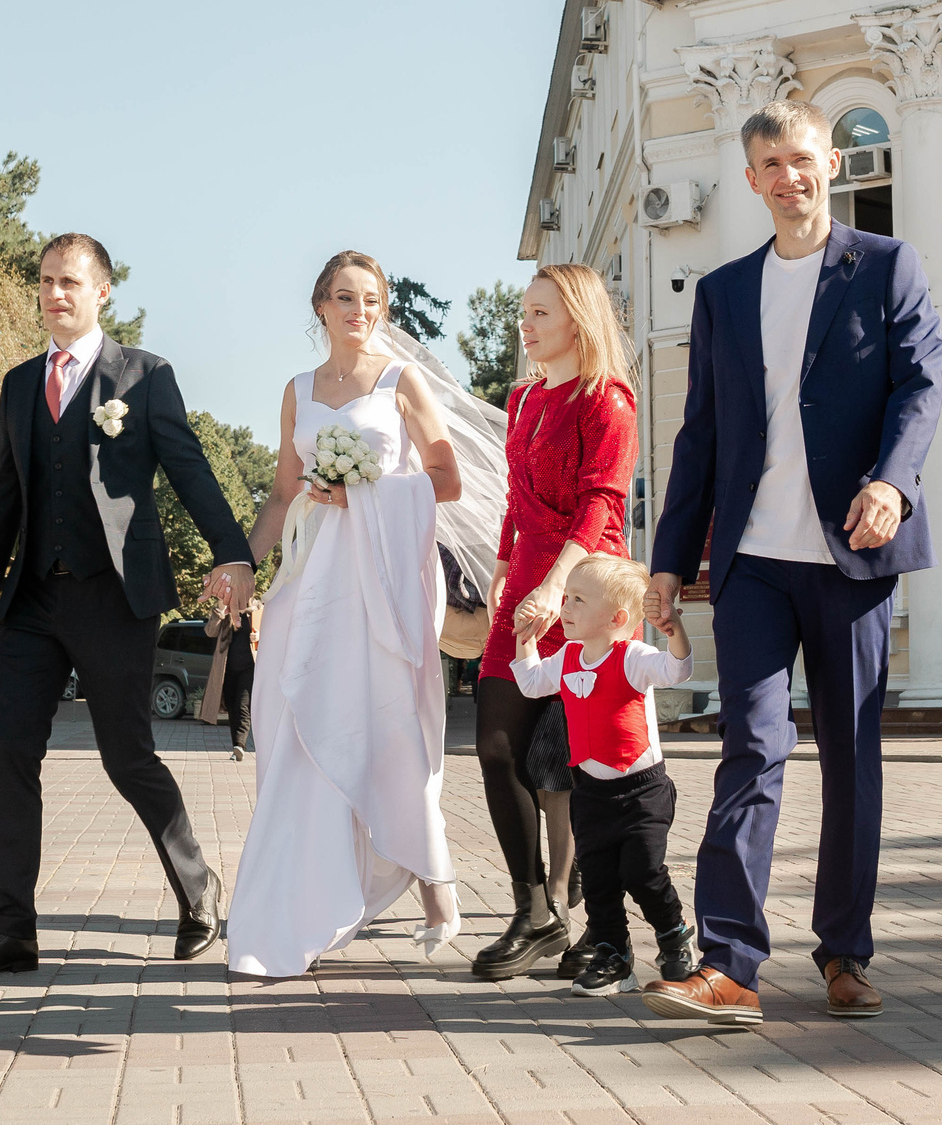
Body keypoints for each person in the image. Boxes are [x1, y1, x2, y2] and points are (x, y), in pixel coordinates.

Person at [644, 98, 942, 1029]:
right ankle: (730, 963)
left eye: (802, 157)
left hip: (849, 554)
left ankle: (845, 951)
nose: (788, 176)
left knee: (851, 755)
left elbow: (921, 383)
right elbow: (698, 436)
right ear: (750, 180)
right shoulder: (725, 291)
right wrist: (668, 562)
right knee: (753, 746)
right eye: (770, 163)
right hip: (753, 561)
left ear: (832, 163)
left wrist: (892, 483)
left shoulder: (887, 265)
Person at [0, 232, 259, 981]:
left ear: (102, 291)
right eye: (46, 281)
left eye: (70, 282)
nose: (55, 294)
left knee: (127, 755)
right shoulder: (19, 384)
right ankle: (11, 926)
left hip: (116, 596)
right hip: (33, 601)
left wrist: (232, 550)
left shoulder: (143, 376)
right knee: (11, 752)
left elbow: (188, 467)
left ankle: (197, 886)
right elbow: (5, 498)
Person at [223, 251, 482, 977]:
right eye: (344, 297)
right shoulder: (298, 390)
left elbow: (446, 478)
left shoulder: (403, 381)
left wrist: (363, 491)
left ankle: (436, 884)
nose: (359, 310)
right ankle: (295, 904)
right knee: (296, 722)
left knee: (390, 721)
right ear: (321, 306)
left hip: (384, 580)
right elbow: (280, 495)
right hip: (311, 581)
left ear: (383, 308)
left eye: (371, 298)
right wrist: (244, 567)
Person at [473, 264, 637, 982]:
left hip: (585, 589)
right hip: (526, 587)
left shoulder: (609, 399)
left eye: (540, 312)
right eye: (523, 312)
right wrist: (505, 570)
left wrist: (555, 584)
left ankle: (596, 920)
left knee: (580, 763)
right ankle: (534, 908)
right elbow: (515, 497)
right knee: (496, 744)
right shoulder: (522, 400)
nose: (526, 324)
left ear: (577, 316)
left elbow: (601, 502)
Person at [508, 555, 696, 998]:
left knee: (643, 871)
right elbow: (532, 683)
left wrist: (676, 635)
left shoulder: (633, 657)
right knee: (597, 879)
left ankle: (674, 938)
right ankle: (613, 955)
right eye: (567, 597)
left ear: (616, 618)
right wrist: (525, 639)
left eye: (578, 599)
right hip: (590, 792)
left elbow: (676, 670)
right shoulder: (567, 656)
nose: (566, 607)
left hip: (641, 792)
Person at [200, 602, 255, 760]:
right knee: (232, 706)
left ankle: (240, 744)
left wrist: (259, 637)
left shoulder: (256, 612)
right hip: (227, 669)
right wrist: (220, 610)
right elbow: (210, 632)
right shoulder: (225, 613)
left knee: (242, 705)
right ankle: (236, 746)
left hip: (249, 667)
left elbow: (274, 634)